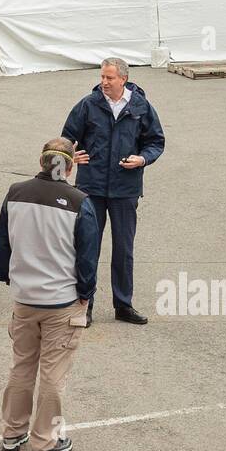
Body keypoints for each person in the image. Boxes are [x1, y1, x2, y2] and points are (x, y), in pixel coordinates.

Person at [0, 139, 101, 451]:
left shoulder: (15, 194)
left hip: (24, 299)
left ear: (41, 161)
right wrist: (86, 294)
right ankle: (44, 441)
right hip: (61, 302)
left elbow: (3, 245)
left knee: (22, 366)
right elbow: (88, 259)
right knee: (54, 374)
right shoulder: (80, 203)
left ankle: (13, 432)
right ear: (70, 167)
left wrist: (8, 276)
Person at [61, 57, 165, 326]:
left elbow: (155, 141)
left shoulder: (141, 107)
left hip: (125, 189)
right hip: (91, 189)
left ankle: (123, 305)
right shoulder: (88, 104)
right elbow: (66, 139)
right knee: (87, 248)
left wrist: (142, 159)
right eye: (102, 77)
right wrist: (72, 156)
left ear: (123, 79)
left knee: (123, 250)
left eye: (109, 78)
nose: (104, 82)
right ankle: (85, 306)